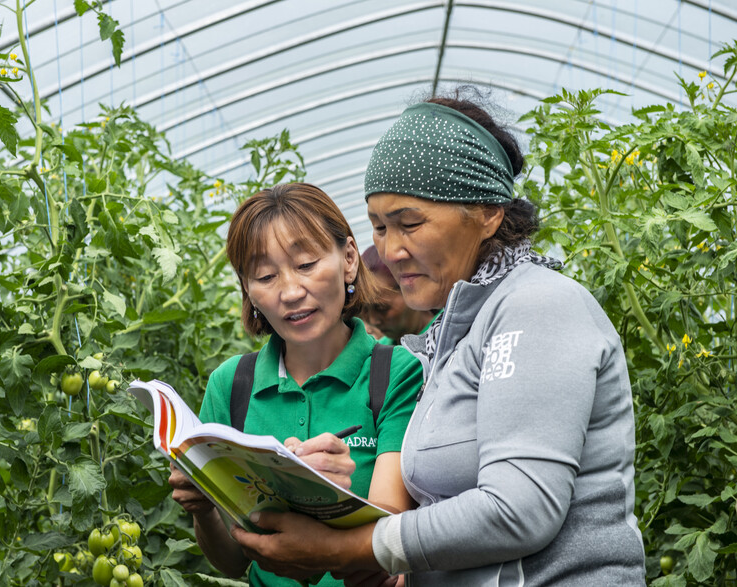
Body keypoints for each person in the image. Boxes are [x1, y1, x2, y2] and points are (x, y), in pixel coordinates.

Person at [229, 92, 646, 585]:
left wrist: (350, 550)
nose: (391, 250)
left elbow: (519, 510)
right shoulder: (453, 335)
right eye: (379, 227)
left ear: (488, 212)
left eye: (410, 223)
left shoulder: (538, 305)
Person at [168, 183, 424, 587]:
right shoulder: (230, 385)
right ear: (248, 291)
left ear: (349, 260)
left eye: (306, 264)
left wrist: (321, 495)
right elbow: (233, 562)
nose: (290, 292)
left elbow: (390, 532)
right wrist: (203, 508)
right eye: (266, 276)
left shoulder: (396, 373)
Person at [361, 245, 434, 345]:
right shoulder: (378, 352)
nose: (373, 321)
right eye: (364, 309)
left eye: (382, 308)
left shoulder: (449, 339)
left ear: (415, 290)